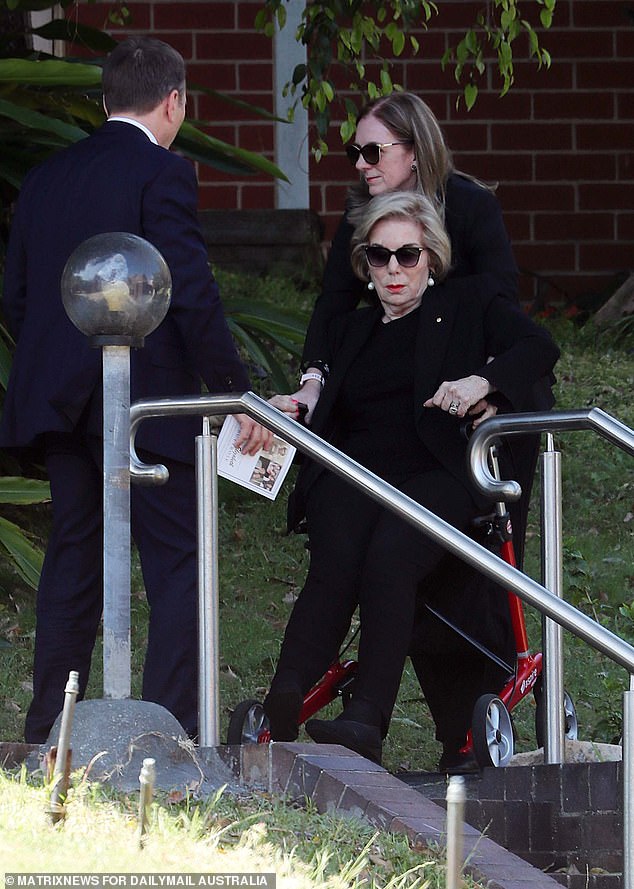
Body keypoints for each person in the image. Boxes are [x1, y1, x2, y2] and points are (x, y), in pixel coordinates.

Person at [0, 36, 269, 744]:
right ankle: (168, 726)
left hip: (60, 397)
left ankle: (47, 726)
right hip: (147, 396)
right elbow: (187, 291)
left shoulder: (47, 176)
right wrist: (237, 391)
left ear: (105, 98)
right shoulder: (165, 174)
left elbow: (19, 296)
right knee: (175, 561)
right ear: (174, 100)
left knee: (72, 557)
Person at [264, 191, 560, 767]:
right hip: (358, 477)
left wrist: (485, 384)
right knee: (334, 561)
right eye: (380, 257)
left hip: (440, 473)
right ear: (365, 266)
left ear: (432, 259)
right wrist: (292, 407)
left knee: (392, 552)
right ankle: (282, 698)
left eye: (408, 255)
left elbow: (537, 346)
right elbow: (320, 393)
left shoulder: (468, 305)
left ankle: (367, 716)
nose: (394, 269)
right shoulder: (351, 331)